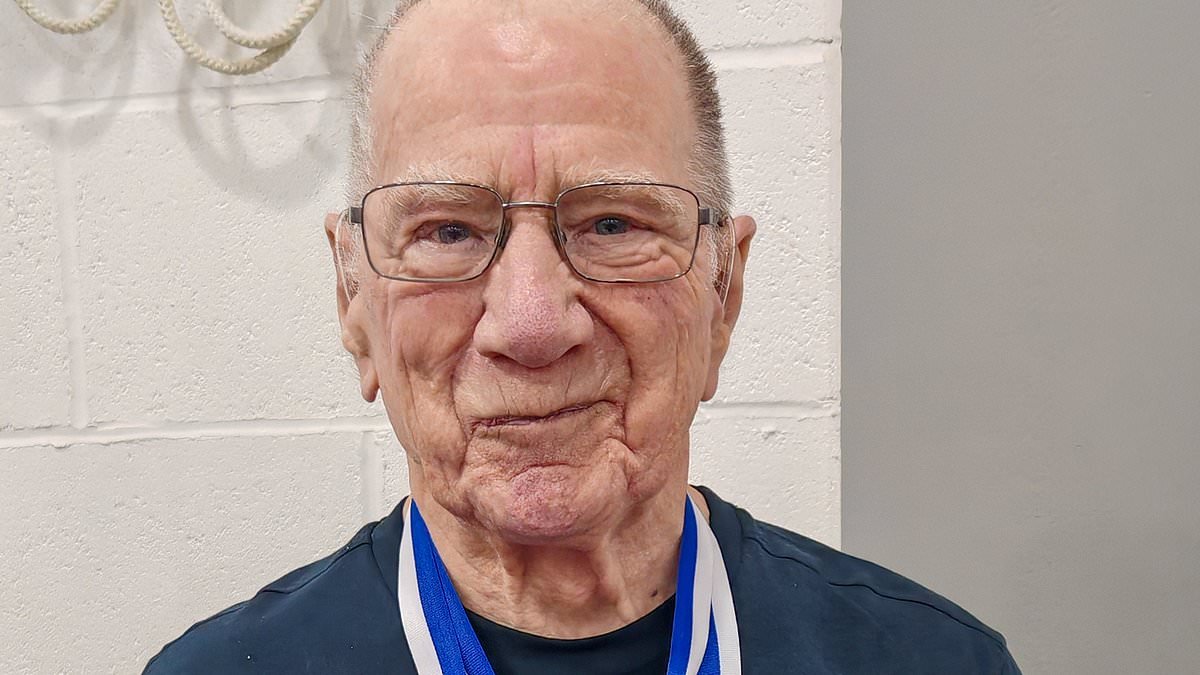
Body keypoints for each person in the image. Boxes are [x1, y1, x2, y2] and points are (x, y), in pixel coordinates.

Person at [146, 0, 1021, 672]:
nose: (531, 323)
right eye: (448, 232)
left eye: (611, 223)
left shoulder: (930, 660)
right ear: (352, 296)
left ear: (724, 289)